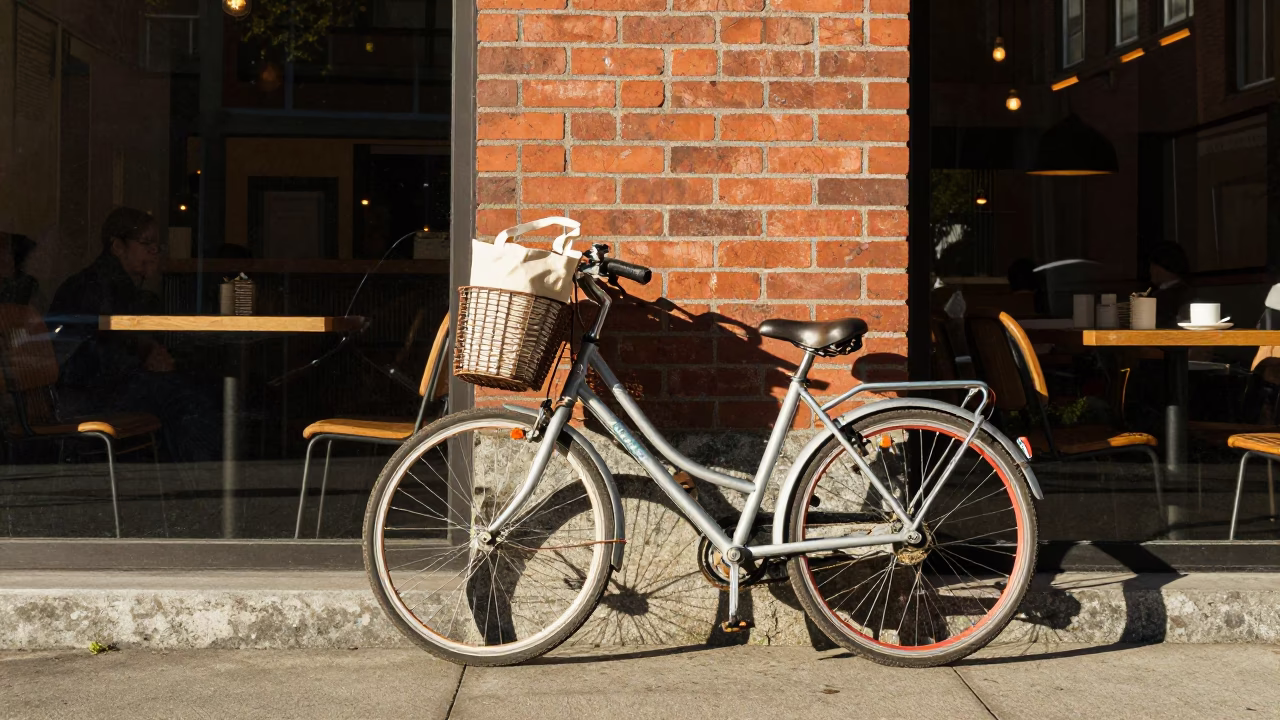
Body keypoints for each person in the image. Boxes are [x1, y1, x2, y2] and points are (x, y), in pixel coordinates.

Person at [48, 207, 220, 463]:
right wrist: (145, 359)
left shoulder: (118, 286)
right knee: (189, 399)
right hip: (86, 395)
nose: (154, 251)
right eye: (145, 243)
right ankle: (200, 480)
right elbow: (89, 358)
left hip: (100, 387)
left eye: (156, 245)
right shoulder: (96, 287)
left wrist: (149, 352)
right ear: (117, 246)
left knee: (195, 386)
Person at [1147, 241, 1194, 326]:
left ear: (1159, 268)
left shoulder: (1163, 298)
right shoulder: (1188, 292)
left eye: (1152, 265)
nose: (1150, 270)